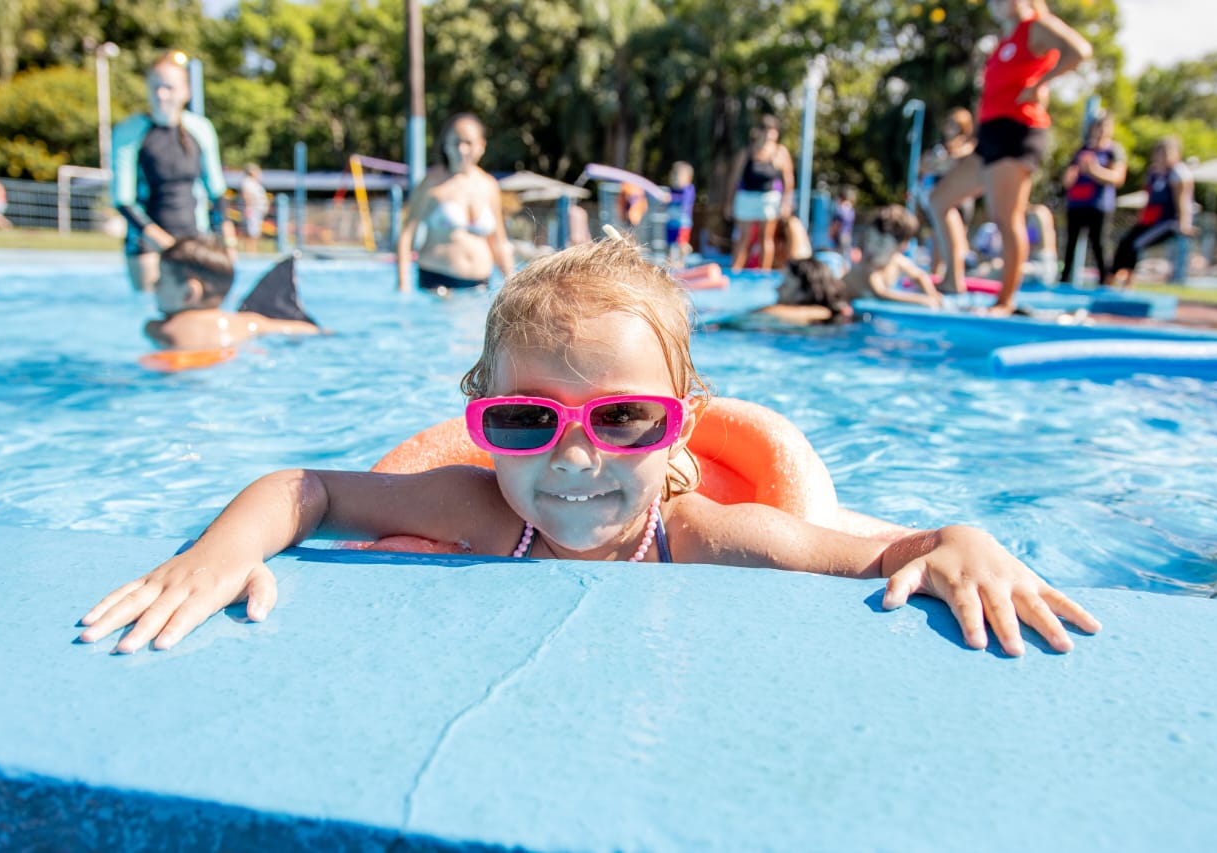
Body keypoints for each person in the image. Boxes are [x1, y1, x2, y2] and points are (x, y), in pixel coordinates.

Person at [78, 235, 1099, 658]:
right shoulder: (474, 506)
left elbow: (882, 551)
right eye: (526, 419)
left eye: (621, 419)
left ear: (680, 424)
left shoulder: (701, 532)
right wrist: (219, 552)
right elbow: (302, 489)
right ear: (481, 416)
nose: (573, 459)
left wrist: (960, 536)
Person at [927, 0, 1091, 315]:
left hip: (1018, 132)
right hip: (988, 137)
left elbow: (1079, 51)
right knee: (938, 200)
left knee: (1005, 216)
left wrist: (1040, 84)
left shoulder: (1037, 25)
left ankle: (1004, 301)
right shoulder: (1002, 42)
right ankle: (952, 279)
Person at [111, 51, 235, 293]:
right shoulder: (129, 131)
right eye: (155, 87)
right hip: (146, 242)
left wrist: (227, 242)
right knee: (152, 309)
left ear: (185, 91)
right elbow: (123, 201)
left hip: (193, 236)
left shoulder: (200, 129)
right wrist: (164, 244)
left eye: (168, 87)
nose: (160, 94)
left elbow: (217, 192)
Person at [395, 113, 514, 293]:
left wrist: (512, 285)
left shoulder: (489, 185)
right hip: (436, 282)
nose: (461, 149)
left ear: (481, 146)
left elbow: (498, 241)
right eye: (455, 142)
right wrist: (403, 284)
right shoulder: (431, 184)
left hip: (480, 285)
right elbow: (406, 236)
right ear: (445, 145)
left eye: (468, 143)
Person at [144, 238, 322, 351]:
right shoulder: (248, 322)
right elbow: (308, 330)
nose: (154, 285)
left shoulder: (158, 328)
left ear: (189, 292)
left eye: (161, 280)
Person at [1110, 136, 1195, 289]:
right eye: (1160, 152)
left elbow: (1183, 200)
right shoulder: (1153, 173)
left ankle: (1128, 283)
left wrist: (1185, 224)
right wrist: (1141, 219)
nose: (1162, 156)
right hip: (1151, 220)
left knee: (1136, 244)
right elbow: (1148, 199)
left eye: (1166, 153)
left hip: (1168, 221)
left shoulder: (1177, 173)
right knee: (1125, 242)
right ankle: (1110, 279)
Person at [1060, 114, 1126, 285]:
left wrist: (1094, 171)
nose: (1101, 131)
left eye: (1105, 126)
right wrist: (1072, 175)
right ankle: (1064, 280)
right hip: (1077, 203)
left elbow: (1118, 178)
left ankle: (1104, 281)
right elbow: (1067, 179)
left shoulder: (1113, 151)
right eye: (1098, 126)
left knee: (1099, 243)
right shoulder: (1082, 150)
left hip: (1099, 205)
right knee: (1071, 243)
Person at [727, 114, 795, 272]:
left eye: (772, 131)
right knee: (743, 237)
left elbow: (789, 180)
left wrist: (786, 203)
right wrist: (729, 202)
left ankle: (764, 273)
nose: (769, 135)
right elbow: (734, 178)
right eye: (765, 130)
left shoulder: (780, 152)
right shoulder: (747, 151)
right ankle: (735, 271)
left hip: (769, 198)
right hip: (747, 197)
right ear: (758, 131)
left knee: (766, 237)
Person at [841, 206, 943, 308]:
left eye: (880, 244)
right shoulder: (869, 266)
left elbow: (920, 276)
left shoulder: (897, 261)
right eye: (869, 241)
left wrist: (932, 294)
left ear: (902, 246)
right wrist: (921, 300)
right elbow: (881, 293)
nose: (871, 249)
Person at [917, 108, 977, 276]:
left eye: (955, 124)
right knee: (938, 235)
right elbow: (923, 165)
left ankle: (955, 275)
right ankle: (937, 273)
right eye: (949, 123)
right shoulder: (939, 148)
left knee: (955, 238)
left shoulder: (968, 146)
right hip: (940, 195)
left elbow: (956, 159)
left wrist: (941, 161)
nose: (950, 127)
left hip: (959, 198)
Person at [666, 161, 696, 266]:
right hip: (671, 222)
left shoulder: (689, 189)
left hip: (683, 223)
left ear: (688, 178)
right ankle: (670, 262)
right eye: (674, 176)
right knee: (670, 243)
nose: (676, 179)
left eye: (679, 176)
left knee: (681, 243)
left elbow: (684, 201)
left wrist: (671, 198)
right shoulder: (671, 190)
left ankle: (682, 261)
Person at [239, 164, 269, 254]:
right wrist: (249, 208)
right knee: (251, 232)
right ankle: (250, 252)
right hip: (252, 210)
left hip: (257, 210)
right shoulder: (247, 182)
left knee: (254, 232)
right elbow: (246, 196)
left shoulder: (254, 182)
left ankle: (253, 251)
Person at [828, 186, 857, 258]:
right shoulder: (851, 210)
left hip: (839, 236)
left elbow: (836, 224)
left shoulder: (840, 209)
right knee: (845, 255)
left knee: (837, 254)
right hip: (847, 235)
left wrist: (831, 233)